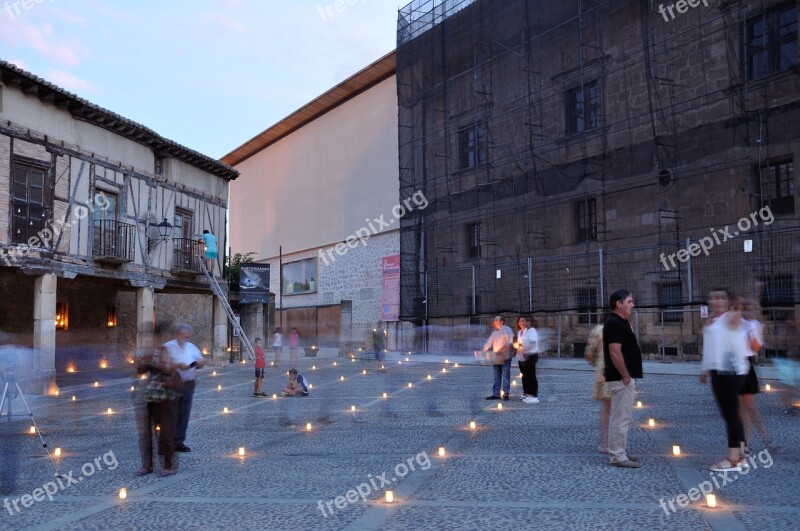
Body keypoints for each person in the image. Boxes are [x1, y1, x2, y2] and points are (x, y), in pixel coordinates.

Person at [700, 288, 750, 472]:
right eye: (713, 297)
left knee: (730, 414)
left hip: (731, 371)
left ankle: (732, 459)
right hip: (717, 371)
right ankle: (741, 454)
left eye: (721, 297)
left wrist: (738, 303)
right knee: (730, 413)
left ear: (729, 301)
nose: (717, 301)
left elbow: (741, 309)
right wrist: (705, 369)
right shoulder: (714, 321)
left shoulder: (731, 317)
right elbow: (711, 346)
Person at [603, 289, 644, 468]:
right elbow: (614, 351)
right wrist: (626, 376)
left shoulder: (621, 322)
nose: (632, 305)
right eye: (629, 302)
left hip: (623, 378)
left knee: (621, 417)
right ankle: (618, 456)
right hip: (620, 378)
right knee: (620, 418)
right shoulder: (614, 323)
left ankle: (620, 451)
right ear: (619, 304)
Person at [136, 322, 177, 477]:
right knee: (146, 434)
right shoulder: (150, 351)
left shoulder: (165, 350)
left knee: (165, 432)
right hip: (150, 395)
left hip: (164, 397)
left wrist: (153, 361)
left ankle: (168, 466)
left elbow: (168, 368)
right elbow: (140, 371)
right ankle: (147, 465)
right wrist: (141, 362)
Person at [737, 300, 778, 453]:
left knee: (749, 407)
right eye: (746, 308)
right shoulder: (736, 322)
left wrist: (752, 332)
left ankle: (764, 438)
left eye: (752, 309)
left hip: (747, 365)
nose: (749, 311)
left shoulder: (755, 325)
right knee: (739, 409)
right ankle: (744, 442)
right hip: (733, 365)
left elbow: (755, 347)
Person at [165, 324, 206, 453]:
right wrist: (177, 365)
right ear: (178, 334)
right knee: (170, 414)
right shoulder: (168, 347)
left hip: (188, 385)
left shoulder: (191, 347)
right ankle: (166, 442)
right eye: (184, 336)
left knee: (184, 414)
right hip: (173, 385)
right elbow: (162, 365)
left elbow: (200, 359)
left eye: (188, 336)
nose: (186, 338)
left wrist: (200, 363)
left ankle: (178, 442)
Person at [585, 324, 611, 454]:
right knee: (614, 408)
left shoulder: (599, 329)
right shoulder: (625, 327)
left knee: (607, 408)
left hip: (604, 368)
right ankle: (611, 443)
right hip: (612, 369)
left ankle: (604, 442)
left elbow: (589, 353)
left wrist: (597, 363)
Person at [482, 316, 514, 401]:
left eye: (496, 320)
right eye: (494, 320)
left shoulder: (507, 330)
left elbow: (509, 343)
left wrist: (502, 350)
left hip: (505, 356)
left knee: (505, 375)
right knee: (496, 376)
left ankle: (506, 393)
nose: (495, 322)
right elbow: (489, 342)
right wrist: (484, 349)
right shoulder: (494, 332)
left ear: (502, 321)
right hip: (496, 357)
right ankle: (496, 394)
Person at [514, 316, 540, 404]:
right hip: (522, 355)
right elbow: (521, 344)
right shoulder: (520, 332)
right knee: (524, 375)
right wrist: (517, 346)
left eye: (523, 320)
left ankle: (534, 395)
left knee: (531, 375)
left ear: (528, 322)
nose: (521, 322)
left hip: (531, 355)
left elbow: (533, 343)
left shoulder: (531, 330)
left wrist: (524, 349)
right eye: (519, 321)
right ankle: (526, 393)